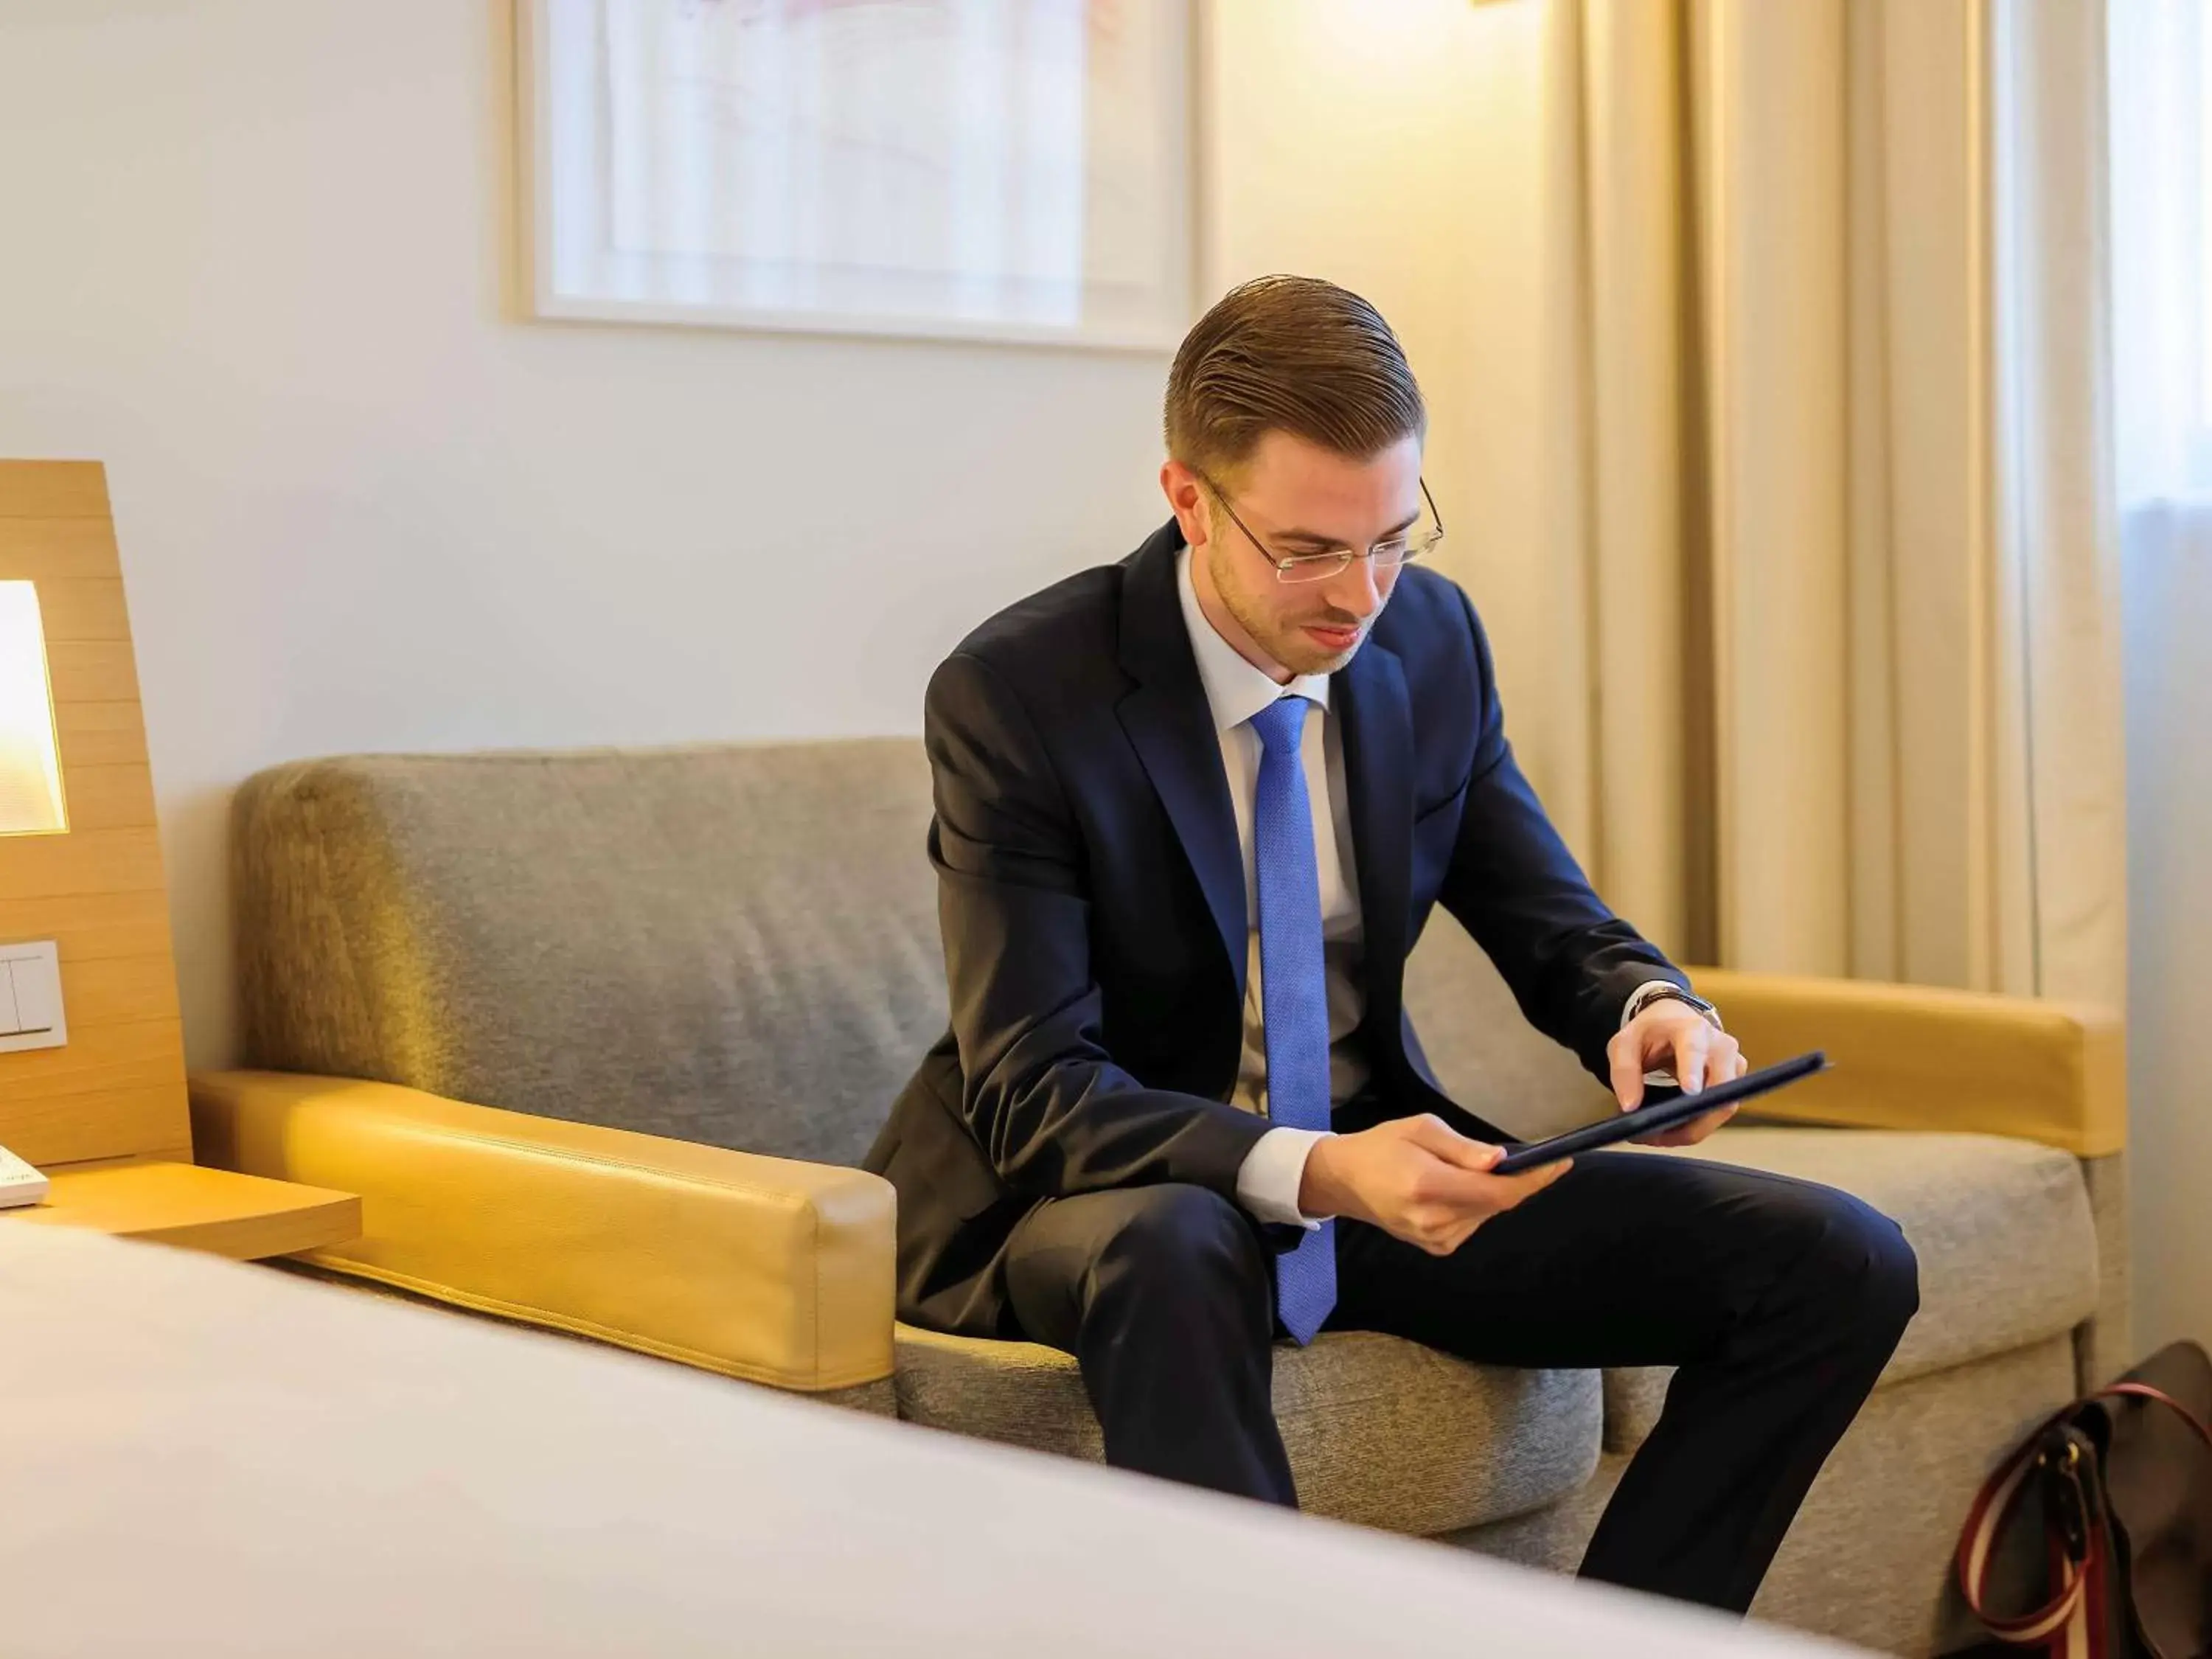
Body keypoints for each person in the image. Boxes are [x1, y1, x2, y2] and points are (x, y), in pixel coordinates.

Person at [864, 275, 1919, 1613]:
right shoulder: (1022, 694)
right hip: (1098, 1193)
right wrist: (1320, 1171)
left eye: (1391, 537)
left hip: (1372, 1163)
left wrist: (1643, 1005)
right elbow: (1034, 1089)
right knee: (1177, 1244)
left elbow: (1545, 910)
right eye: (1308, 547)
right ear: (1189, 499)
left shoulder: (1429, 637)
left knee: (1844, 1260)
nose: (1359, 596)